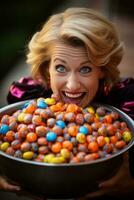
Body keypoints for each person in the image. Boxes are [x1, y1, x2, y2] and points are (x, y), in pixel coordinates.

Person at [0, 7, 134, 199]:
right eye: (61, 67)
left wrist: (130, 185)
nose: (72, 85)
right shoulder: (28, 101)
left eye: (85, 69)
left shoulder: (126, 105)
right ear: (47, 69)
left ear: (102, 69)